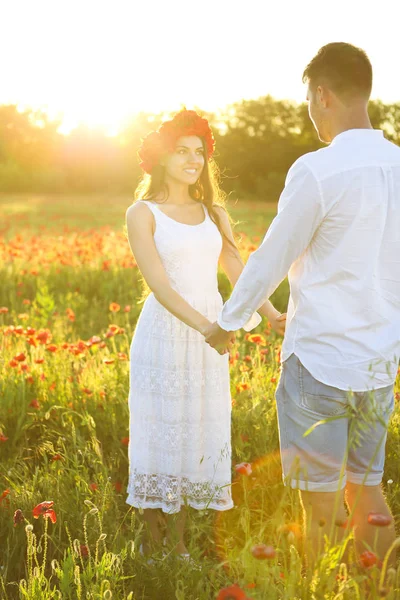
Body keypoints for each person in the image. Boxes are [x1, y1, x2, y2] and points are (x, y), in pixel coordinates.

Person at [205, 43, 400, 565]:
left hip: (319, 361)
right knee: (368, 496)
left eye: (310, 101)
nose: (311, 113)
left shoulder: (318, 170)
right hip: (379, 364)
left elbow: (272, 256)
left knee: (318, 510)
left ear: (323, 94)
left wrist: (229, 321)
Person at [125, 109, 286, 561]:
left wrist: (271, 312)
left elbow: (238, 268)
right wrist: (207, 328)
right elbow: (158, 283)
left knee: (195, 430)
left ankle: (176, 545)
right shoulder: (143, 213)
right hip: (167, 332)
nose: (193, 160)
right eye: (182, 151)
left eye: (199, 152)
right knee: (159, 429)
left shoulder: (214, 213)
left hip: (210, 335)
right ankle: (151, 542)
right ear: (162, 157)